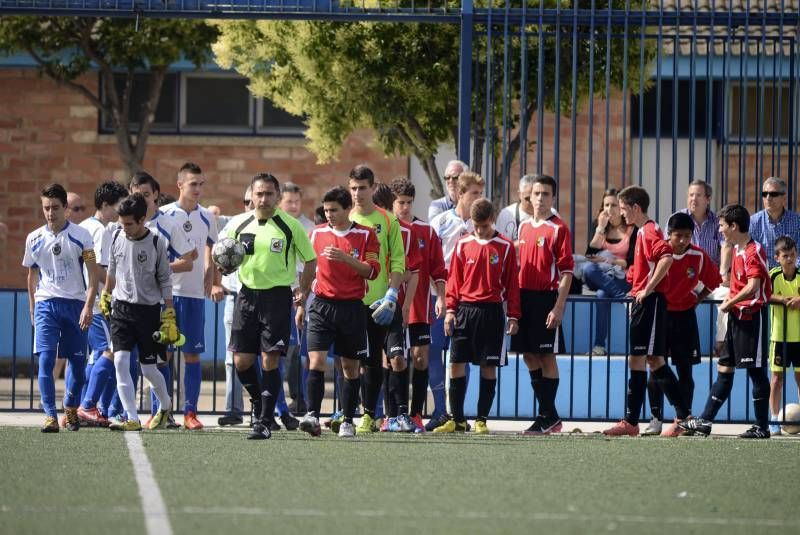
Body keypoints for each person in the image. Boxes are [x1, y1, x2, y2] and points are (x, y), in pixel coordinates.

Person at [226, 173, 317, 440]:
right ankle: (259, 401)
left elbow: (310, 260)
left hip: (277, 298)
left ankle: (264, 421)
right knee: (241, 361)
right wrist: (223, 267)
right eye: (259, 194)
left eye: (268, 194)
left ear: (277, 197)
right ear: (251, 196)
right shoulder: (239, 224)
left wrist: (304, 288)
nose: (263, 199)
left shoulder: (291, 226)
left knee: (270, 359)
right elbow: (227, 255)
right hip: (246, 296)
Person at [602, 186, 691, 436]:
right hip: (643, 304)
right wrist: (637, 292)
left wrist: (647, 290)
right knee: (638, 360)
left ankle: (683, 417)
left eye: (622, 209)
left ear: (635, 208)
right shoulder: (641, 232)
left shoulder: (650, 231)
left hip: (651, 304)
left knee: (654, 360)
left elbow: (667, 258)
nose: (621, 214)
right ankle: (631, 422)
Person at [681, 204, 773, 438]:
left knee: (756, 372)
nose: (720, 230)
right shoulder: (737, 251)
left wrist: (729, 303)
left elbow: (754, 288)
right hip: (736, 319)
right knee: (724, 370)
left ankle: (762, 428)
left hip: (752, 320)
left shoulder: (754, 251)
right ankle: (705, 421)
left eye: (722, 226)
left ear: (734, 226)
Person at [299, 186, 381, 438]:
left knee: (350, 367)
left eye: (334, 210)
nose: (329, 215)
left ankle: (347, 419)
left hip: (352, 307)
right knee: (316, 360)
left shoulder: (366, 235)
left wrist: (346, 258)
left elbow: (372, 271)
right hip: (322, 306)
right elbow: (308, 270)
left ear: (347, 209)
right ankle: (312, 415)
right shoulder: (316, 234)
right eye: (326, 210)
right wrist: (302, 302)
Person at [433, 198, 520, 434]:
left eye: (484, 226)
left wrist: (513, 315)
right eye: (476, 226)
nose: (480, 230)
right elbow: (454, 281)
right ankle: (458, 419)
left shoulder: (505, 246)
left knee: (487, 366)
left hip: (491, 312)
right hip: (464, 311)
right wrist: (451, 311)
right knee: (456, 363)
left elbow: (512, 283)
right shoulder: (462, 244)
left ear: (492, 220)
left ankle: (481, 419)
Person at [23, 183, 98, 432]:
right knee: (46, 359)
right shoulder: (33, 238)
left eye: (55, 207)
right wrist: (33, 307)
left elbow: (93, 273)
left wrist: (89, 306)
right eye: (46, 208)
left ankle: (70, 406)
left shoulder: (82, 236)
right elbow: (32, 276)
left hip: (76, 305)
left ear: (65, 208)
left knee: (77, 364)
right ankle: (49, 415)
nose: (50, 213)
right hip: (46, 304)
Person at [101, 194, 177, 431]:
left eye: (129, 224)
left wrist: (169, 313)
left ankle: (165, 405)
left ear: (143, 219)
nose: (124, 228)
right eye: (122, 223)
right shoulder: (115, 235)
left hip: (149, 312)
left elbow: (165, 279)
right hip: (121, 309)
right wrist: (105, 294)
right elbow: (112, 269)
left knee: (149, 369)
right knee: (121, 361)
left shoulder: (157, 243)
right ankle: (131, 417)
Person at [642, 212, 722, 436]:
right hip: (661, 315)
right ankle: (655, 418)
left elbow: (715, 281)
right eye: (678, 236)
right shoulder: (660, 254)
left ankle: (683, 420)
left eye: (688, 236)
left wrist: (697, 298)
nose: (683, 241)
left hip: (685, 317)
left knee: (685, 371)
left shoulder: (699, 256)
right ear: (669, 235)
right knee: (655, 369)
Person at [159, 162, 223, 430]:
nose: (198, 188)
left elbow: (215, 251)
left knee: (192, 356)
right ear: (180, 185)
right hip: (167, 295)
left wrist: (213, 278)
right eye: (193, 183)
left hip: (195, 295)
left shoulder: (207, 217)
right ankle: (161, 411)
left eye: (201, 184)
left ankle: (190, 412)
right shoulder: (163, 214)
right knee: (163, 355)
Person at [128, 172, 194, 427]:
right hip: (128, 302)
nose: (142, 199)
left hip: (156, 303)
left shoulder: (167, 224)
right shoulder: (124, 225)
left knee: (159, 357)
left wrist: (162, 268)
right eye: (137, 195)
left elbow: (189, 260)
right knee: (125, 357)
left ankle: (162, 413)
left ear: (155, 194)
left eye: (146, 194)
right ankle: (123, 411)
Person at [512, 174, 574, 435]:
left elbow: (567, 272)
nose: (539, 198)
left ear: (553, 197)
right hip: (523, 298)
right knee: (528, 356)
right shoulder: (523, 226)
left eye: (545, 194)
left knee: (546, 356)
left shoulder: (558, 228)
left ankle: (546, 415)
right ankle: (550, 415)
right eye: (535, 194)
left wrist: (558, 307)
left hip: (546, 299)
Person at [427, 171, 485, 430]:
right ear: (460, 194)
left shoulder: (481, 226)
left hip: (468, 303)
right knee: (432, 353)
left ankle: (458, 414)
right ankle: (440, 410)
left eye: (480, 193)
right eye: (474, 193)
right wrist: (440, 295)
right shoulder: (440, 222)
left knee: (462, 356)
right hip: (439, 298)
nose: (478, 198)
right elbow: (430, 262)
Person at [390, 178, 447, 432]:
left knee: (420, 357)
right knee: (393, 359)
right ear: (392, 202)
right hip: (390, 305)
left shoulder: (426, 231)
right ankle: (392, 414)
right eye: (400, 202)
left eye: (409, 202)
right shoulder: (386, 230)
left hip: (420, 305)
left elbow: (437, 267)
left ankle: (415, 415)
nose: (405, 207)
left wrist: (443, 297)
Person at [76, 181, 131, 426]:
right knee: (110, 352)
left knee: (94, 356)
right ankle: (87, 405)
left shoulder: (84, 226)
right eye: (119, 206)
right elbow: (96, 267)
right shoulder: (100, 231)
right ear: (106, 204)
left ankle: (79, 408)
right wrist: (113, 289)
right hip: (98, 303)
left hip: (87, 300)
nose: (121, 211)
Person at [372, 183, 421, 432]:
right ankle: (379, 415)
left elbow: (412, 273)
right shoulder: (359, 227)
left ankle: (401, 414)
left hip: (391, 305)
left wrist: (405, 307)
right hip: (365, 304)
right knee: (372, 362)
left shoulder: (403, 231)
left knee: (397, 359)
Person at [580, 189, 636, 356]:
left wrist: (609, 260)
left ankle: (599, 346)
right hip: (598, 275)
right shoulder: (597, 225)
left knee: (602, 294)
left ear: (621, 208)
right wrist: (600, 228)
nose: (610, 209)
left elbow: (632, 261)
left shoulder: (632, 229)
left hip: (621, 276)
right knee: (588, 268)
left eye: (614, 205)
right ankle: (624, 299)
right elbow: (589, 255)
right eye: (606, 205)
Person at [216, 188, 253, 427]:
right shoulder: (234, 225)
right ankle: (233, 408)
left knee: (263, 358)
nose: (252, 203)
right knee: (232, 358)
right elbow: (216, 249)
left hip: (261, 298)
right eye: (247, 200)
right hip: (233, 298)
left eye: (258, 197)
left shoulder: (276, 226)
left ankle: (261, 410)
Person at [280, 182, 315, 418]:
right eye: (289, 201)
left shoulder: (309, 227)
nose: (293, 205)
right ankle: (290, 398)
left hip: (305, 294)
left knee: (302, 350)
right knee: (287, 351)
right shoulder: (277, 224)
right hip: (284, 292)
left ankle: (302, 398)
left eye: (296, 201)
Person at [767, 236, 800, 435]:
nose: (790, 259)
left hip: (799, 337)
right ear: (777, 257)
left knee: (799, 378)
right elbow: (764, 294)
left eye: (793, 255)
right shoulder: (773, 275)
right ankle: (773, 419)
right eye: (785, 256)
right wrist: (782, 299)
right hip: (779, 337)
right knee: (776, 379)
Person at [750, 177, 800, 269]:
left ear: (784, 198)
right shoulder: (753, 222)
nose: (768, 198)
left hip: (791, 275)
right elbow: (752, 255)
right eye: (765, 194)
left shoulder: (797, 221)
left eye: (773, 194)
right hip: (764, 276)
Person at [495, 174, 536, 242]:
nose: (532, 202)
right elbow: (500, 246)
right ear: (519, 195)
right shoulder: (506, 215)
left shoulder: (550, 214)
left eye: (534, 197)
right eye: (527, 198)